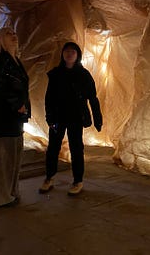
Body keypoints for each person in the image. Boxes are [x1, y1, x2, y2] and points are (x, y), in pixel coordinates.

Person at [39, 42, 102, 196]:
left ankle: (78, 180)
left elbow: (93, 98)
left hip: (75, 117)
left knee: (76, 149)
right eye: (66, 51)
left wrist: (97, 118)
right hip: (57, 117)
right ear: (62, 54)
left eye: (73, 51)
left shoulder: (84, 75)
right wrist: (49, 117)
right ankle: (49, 178)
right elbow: (49, 98)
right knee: (53, 147)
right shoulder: (55, 74)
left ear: (77, 55)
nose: (69, 54)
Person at [0, 27, 30, 207]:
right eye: (9, 34)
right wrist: (17, 104)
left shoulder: (16, 61)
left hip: (14, 118)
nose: (14, 36)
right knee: (1, 158)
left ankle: (11, 192)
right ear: (1, 39)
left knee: (13, 157)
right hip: (3, 117)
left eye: (15, 33)